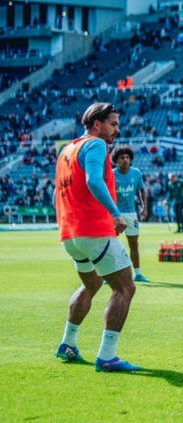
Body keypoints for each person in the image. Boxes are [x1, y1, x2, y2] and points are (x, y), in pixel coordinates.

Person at [54, 102, 141, 372]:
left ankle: (67, 343)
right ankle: (107, 355)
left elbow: (56, 194)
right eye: (113, 124)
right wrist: (115, 213)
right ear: (96, 124)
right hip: (93, 229)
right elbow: (94, 180)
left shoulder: (66, 151)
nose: (117, 129)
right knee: (125, 287)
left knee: (91, 285)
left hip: (70, 234)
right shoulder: (96, 145)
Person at [111, 145, 149, 282]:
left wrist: (144, 207)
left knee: (134, 244)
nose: (125, 160)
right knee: (110, 244)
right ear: (116, 160)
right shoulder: (111, 174)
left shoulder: (136, 173)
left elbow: (142, 190)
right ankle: (107, 274)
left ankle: (138, 273)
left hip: (131, 213)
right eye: (122, 158)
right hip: (115, 214)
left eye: (127, 157)